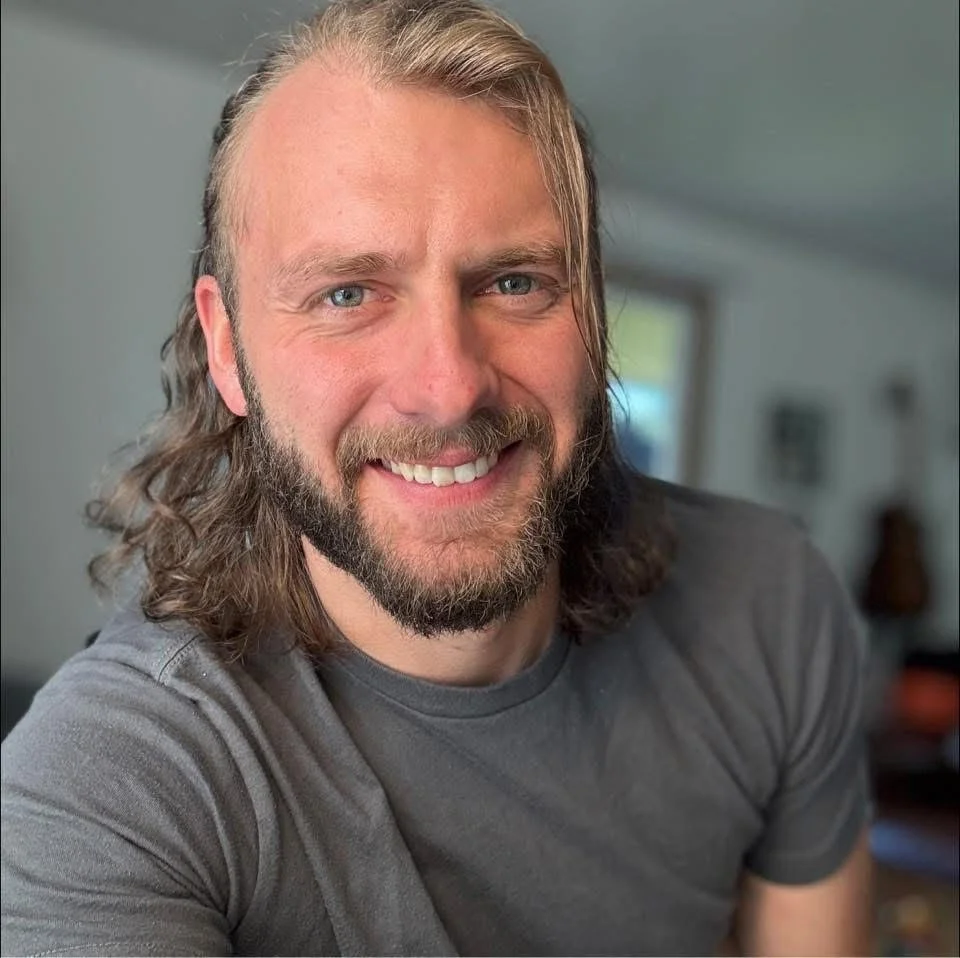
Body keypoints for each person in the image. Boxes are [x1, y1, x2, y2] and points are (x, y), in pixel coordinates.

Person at [1, 0, 873, 954]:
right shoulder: (114, 785)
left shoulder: (767, 603)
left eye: (515, 282)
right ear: (226, 349)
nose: (449, 387)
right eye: (347, 293)